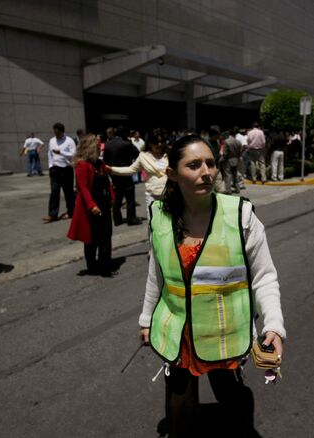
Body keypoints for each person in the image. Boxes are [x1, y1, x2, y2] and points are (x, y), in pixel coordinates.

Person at [138, 135, 285, 436]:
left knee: (233, 404)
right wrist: (146, 319)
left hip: (224, 335)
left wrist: (273, 326)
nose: (206, 171)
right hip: (177, 334)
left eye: (210, 163)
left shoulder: (240, 215)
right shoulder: (160, 217)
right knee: (179, 409)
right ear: (173, 175)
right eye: (193, 165)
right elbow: (157, 274)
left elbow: (264, 276)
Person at [67, 135, 115, 277]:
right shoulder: (82, 165)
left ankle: (105, 265)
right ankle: (92, 265)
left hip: (104, 203)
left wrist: (112, 196)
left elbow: (107, 181)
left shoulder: (99, 163)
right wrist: (91, 205)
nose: (100, 149)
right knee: (92, 238)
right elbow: (83, 188)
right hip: (92, 207)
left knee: (106, 235)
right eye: (97, 147)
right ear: (89, 148)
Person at [105, 130, 169, 222]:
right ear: (150, 143)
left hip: (169, 195)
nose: (159, 144)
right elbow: (130, 170)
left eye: (162, 141)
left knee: (169, 225)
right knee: (153, 225)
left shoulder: (169, 154)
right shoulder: (143, 156)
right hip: (152, 196)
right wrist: (112, 170)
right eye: (156, 142)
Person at [103, 127, 142, 226]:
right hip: (125, 171)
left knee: (118, 196)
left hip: (114, 173)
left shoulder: (107, 144)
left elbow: (105, 160)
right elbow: (137, 153)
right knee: (129, 196)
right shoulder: (127, 143)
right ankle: (131, 218)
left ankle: (117, 219)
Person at [43, 122, 76, 223]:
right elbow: (49, 154)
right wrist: (50, 165)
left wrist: (61, 152)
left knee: (68, 192)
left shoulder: (69, 140)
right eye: (54, 132)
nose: (56, 135)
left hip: (66, 169)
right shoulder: (52, 140)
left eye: (58, 133)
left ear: (62, 131)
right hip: (55, 169)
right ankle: (52, 215)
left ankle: (71, 212)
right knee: (54, 192)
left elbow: (73, 154)